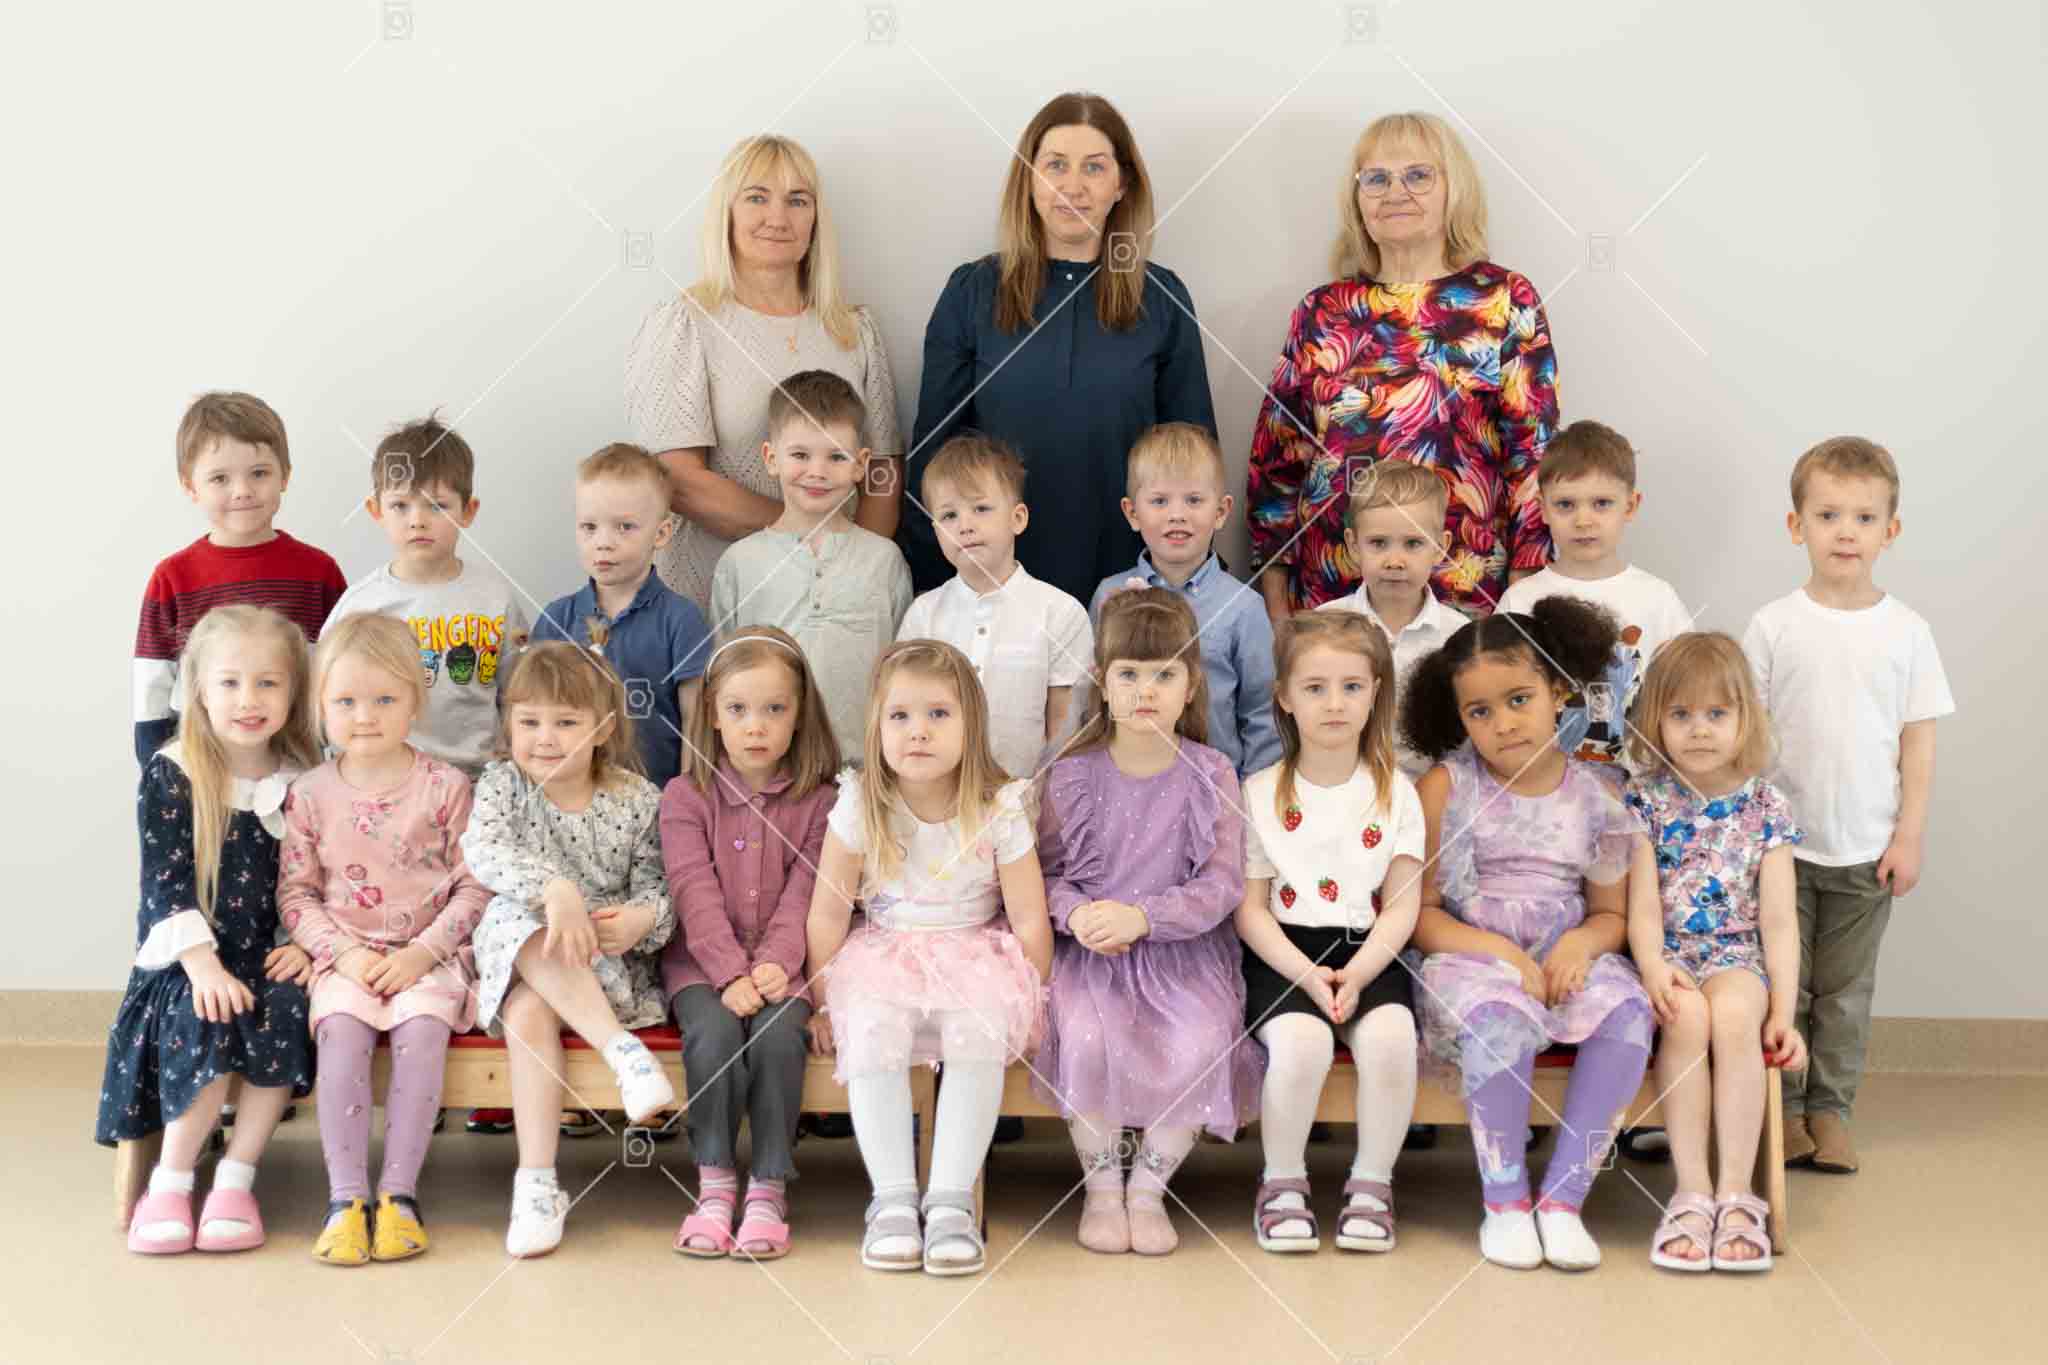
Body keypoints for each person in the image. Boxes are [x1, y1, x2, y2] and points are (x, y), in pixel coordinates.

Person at [1402, 597, 1651, 1270]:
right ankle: (1506, 1201)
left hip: (1566, 952)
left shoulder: (1599, 795)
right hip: (1470, 956)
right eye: (1479, 711)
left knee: (1627, 1011)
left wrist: (1581, 944)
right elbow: (1420, 914)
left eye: (1519, 699)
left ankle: (1565, 1200)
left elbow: (1610, 914)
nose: (1503, 723)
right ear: (1458, 718)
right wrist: (1503, 954)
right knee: (1499, 1019)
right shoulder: (1445, 787)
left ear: (1558, 692)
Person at [902, 91, 1216, 607]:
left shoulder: (1162, 298)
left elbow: (1193, 459)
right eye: (1055, 165)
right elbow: (934, 456)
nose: (1073, 186)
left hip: (1130, 585)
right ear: (1029, 181)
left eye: (1094, 167)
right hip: (994, 584)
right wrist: (934, 586)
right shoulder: (972, 292)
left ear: (1122, 184)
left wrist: (1190, 586)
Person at [1248, 111, 1557, 618]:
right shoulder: (1321, 310)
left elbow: (1533, 460)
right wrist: (1278, 609)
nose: (1396, 192)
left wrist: (1520, 604)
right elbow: (1277, 464)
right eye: (1376, 178)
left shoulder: (1503, 299)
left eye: (1417, 175)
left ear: (1454, 189)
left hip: (1464, 597)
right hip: (1332, 598)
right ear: (1358, 198)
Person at [1741, 436, 1953, 1174]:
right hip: (1780, 851)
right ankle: (1785, 1110)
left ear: (1890, 531)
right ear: (1795, 524)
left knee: (1844, 993)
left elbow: (1918, 744)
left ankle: (1831, 1111)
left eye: (1863, 518)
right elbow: (1745, 734)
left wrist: (1909, 836)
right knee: (1784, 986)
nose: (1845, 532)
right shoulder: (1773, 625)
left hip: (1866, 850)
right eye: (1827, 515)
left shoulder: (1908, 632)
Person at [806, 641, 1052, 1276]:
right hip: (885, 951)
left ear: (972, 723)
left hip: (973, 952)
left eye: (939, 714)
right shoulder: (861, 801)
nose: (918, 731)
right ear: (877, 727)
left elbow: (1029, 915)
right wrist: (822, 1001)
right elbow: (828, 912)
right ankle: (891, 1199)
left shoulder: (999, 804)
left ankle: (949, 1201)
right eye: (901, 716)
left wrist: (1031, 1000)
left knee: (978, 1026)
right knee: (873, 1025)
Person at [1036, 589, 1262, 1256]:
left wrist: (1144, 917)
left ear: (1191, 686)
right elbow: (1044, 874)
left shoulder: (1212, 773)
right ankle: (1103, 1188)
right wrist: (1078, 913)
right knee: (1084, 1036)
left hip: (1181, 952)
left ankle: (1149, 1191)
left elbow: (1222, 883)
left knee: (1199, 1039)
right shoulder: (1070, 774)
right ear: (1102, 684)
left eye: (1164, 674)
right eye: (1129, 673)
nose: (1145, 690)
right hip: (1092, 954)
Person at [100, 605, 321, 1253]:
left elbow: (320, 876)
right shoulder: (175, 770)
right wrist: (202, 965)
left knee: (286, 1005)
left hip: (268, 953)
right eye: (229, 683)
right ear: (198, 689)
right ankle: (170, 1180)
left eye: (267, 683)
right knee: (207, 1011)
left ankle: (236, 1177)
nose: (248, 700)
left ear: (293, 692)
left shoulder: (305, 779)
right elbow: (164, 883)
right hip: (186, 961)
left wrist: (303, 943)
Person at [278, 612, 489, 1265]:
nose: (364, 716)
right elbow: (297, 894)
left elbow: (474, 887)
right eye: (345, 701)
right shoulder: (309, 793)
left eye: (384, 700)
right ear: (320, 706)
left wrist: (423, 953)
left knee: (421, 1034)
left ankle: (399, 1195)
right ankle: (346, 1200)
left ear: (415, 702)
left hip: (429, 958)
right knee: (340, 1035)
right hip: (345, 958)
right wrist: (344, 954)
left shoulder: (447, 787)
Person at [460, 644, 677, 1257]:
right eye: (529, 721)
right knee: (517, 928)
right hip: (524, 954)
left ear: (603, 728)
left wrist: (641, 919)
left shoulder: (637, 799)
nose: (544, 738)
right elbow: (483, 851)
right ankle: (618, 1060)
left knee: (530, 1005)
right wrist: (556, 891)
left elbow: (661, 887)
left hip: (602, 968)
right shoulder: (501, 785)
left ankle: (538, 1181)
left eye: (565, 722)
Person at [627, 134, 902, 612]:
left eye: (797, 200)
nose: (778, 217)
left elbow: (883, 471)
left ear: (815, 219)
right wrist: (802, 540)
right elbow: (678, 480)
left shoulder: (854, 330)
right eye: (757, 197)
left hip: (837, 601)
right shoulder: (685, 323)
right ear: (727, 213)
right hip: (715, 596)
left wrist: (852, 569)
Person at [1236, 612, 1422, 1254]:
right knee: (1302, 1044)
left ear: (1375, 693)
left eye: (1351, 686)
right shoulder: (1258, 792)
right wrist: (1306, 975)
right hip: (1284, 952)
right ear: (1285, 698)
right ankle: (1282, 1183)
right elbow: (1250, 911)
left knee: (1392, 1040)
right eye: (1315, 688)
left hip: (1370, 951)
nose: (1335, 703)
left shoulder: (1398, 793)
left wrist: (1362, 972)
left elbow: (1402, 905)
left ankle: (1372, 1184)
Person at [1623, 634, 1806, 1272]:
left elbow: (1779, 923)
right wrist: (1653, 966)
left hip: (1737, 958)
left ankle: (1737, 1192)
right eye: (1680, 714)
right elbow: (1642, 907)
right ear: (1656, 721)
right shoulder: (1644, 799)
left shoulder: (1766, 806)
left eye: (1716, 713)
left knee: (1730, 1016)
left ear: (1744, 718)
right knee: (1686, 1016)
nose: (1699, 729)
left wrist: (1783, 1013)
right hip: (1669, 954)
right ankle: (1692, 1191)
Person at [659, 628, 838, 1260]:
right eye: (737, 709)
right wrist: (730, 972)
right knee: (711, 1035)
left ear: (800, 715)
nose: (755, 726)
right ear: (713, 714)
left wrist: (776, 966)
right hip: (701, 966)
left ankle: (767, 1188)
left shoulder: (823, 802)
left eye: (774, 709)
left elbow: (808, 892)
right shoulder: (686, 796)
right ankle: (714, 1184)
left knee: (779, 1036)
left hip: (784, 967)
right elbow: (692, 889)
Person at [134, 392, 346, 763]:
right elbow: (153, 686)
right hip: (203, 767)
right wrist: (157, 767)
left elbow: (342, 671)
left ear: (285, 475)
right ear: (190, 485)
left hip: (298, 764)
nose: (243, 491)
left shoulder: (319, 572)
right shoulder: (173, 578)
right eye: (220, 478)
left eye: (259, 473)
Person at [710, 369, 912, 752]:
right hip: (770, 769)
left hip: (861, 767)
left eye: (836, 456)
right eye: (800, 455)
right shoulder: (738, 564)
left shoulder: (884, 560)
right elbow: (723, 677)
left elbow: (902, 672)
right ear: (771, 458)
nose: (817, 471)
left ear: (860, 464)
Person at [323, 414, 531, 777]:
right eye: (400, 506)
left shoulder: (495, 597)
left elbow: (521, 689)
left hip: (479, 777)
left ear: (468, 511)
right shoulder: (361, 605)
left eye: (437, 506)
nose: (417, 520)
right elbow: (326, 697)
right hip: (388, 777)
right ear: (376, 510)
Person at [1497, 420, 1692, 774]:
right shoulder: (1520, 600)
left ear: (1630, 506)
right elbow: (1499, 694)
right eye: (1566, 505)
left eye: (1601, 503)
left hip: (1639, 785)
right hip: (1544, 785)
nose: (1583, 520)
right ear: (1543, 508)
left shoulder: (1658, 598)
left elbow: (1689, 691)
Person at [896, 433, 1092, 779]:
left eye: (981, 509)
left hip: (1027, 796)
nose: (965, 526)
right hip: (941, 795)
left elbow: (1064, 729)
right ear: (936, 530)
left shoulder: (1061, 612)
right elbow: (905, 711)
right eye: (949, 515)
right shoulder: (923, 615)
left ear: (1017, 518)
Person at [1089, 423, 1279, 776]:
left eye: (1194, 500)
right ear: (1132, 513)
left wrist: (1249, 794)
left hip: (1215, 789)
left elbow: (1262, 715)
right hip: (1127, 785)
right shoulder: (1109, 596)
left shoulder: (1243, 607)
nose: (1177, 514)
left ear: (1221, 512)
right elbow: (1091, 699)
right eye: (1159, 501)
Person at [533, 442, 713, 790]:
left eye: (624, 527)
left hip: (656, 801)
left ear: (661, 533)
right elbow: (532, 711)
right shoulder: (557, 618)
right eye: (589, 527)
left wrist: (686, 801)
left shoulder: (681, 620)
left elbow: (696, 723)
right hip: (570, 801)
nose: (603, 542)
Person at [1315, 460, 1466, 780]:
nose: (1395, 561)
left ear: (1440, 547)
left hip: (1430, 793)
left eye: (1413, 543)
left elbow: (1465, 739)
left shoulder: (1460, 637)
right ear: (1353, 545)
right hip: (1342, 787)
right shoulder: (1323, 626)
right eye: (1378, 543)